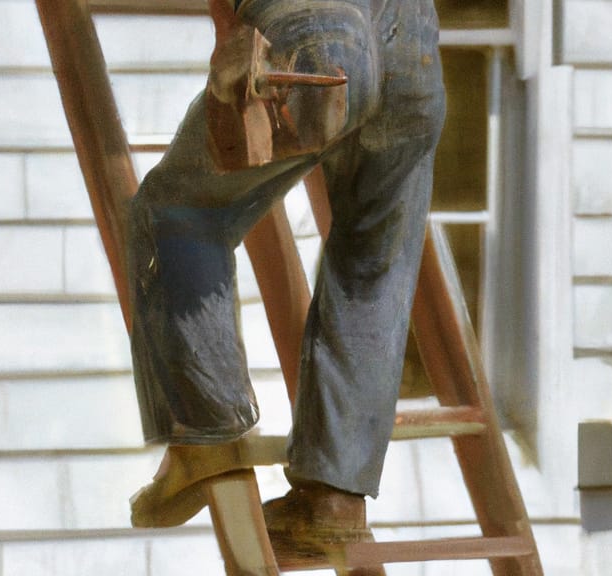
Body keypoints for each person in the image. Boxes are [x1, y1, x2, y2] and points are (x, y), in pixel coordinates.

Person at [125, 0, 445, 555]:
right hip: (414, 47)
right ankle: (334, 497)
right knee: (369, 265)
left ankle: (208, 432)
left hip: (321, 31)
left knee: (175, 209)